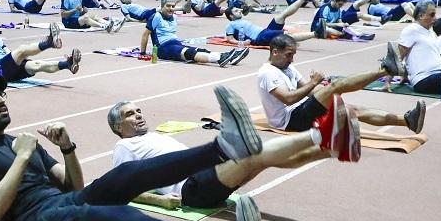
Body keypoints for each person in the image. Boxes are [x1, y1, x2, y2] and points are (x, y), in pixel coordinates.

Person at [0, 77, 265, 221]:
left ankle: (224, 147)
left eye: (1, 94)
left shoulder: (21, 141)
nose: (1, 100)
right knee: (120, 216)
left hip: (62, 207)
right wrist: (23, 158)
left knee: (127, 174)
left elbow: (73, 186)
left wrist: (67, 148)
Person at [107, 89, 341, 213]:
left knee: (261, 160)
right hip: (192, 188)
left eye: (138, 111)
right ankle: (321, 135)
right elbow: (120, 189)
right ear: (118, 127)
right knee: (255, 154)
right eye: (130, 114)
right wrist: (161, 202)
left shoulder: (153, 136)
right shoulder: (125, 146)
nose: (138, 115)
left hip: (203, 177)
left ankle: (331, 150)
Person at [257, 36, 422, 148]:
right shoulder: (268, 72)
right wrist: (318, 84)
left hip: (302, 110)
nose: (291, 59)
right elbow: (288, 98)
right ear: (275, 52)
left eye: (293, 55)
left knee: (354, 110)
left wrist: (324, 90)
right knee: (337, 86)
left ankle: (408, 121)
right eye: (288, 55)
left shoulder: (288, 67)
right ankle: (385, 70)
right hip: (290, 120)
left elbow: (310, 90)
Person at [0, 13, 81, 81]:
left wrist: (17, 60)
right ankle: (49, 43)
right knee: (21, 50)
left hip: (8, 69)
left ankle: (67, 65)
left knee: (36, 65)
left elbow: (7, 52)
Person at [143, 0, 241, 66]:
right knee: (189, 53)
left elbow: (183, 9)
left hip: (176, 43)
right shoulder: (156, 16)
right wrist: (142, 52)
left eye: (173, 6)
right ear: (161, 6)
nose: (171, 8)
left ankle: (227, 56)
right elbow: (145, 34)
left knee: (200, 50)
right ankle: (219, 58)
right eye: (168, 6)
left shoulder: (173, 16)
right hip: (163, 48)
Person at [225, 0, 321, 47]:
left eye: (238, 9)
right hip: (260, 38)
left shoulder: (240, 19)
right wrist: (242, 43)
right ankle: (316, 33)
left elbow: (245, 10)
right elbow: (230, 39)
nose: (239, 10)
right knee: (286, 35)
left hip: (265, 31)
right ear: (231, 16)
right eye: (236, 11)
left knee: (281, 16)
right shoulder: (231, 25)